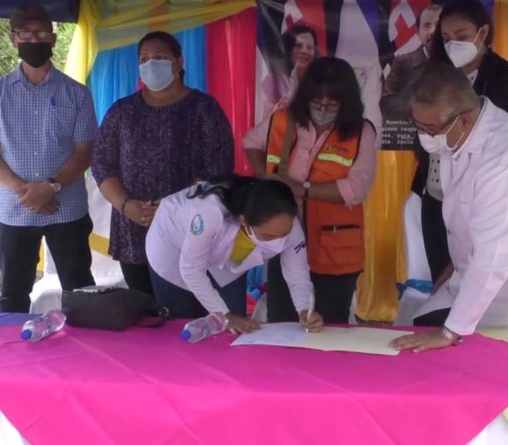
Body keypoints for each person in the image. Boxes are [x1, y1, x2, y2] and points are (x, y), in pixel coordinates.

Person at [391, 64, 508, 353]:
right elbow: (468, 220)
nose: (424, 136)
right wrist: (452, 271)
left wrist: (450, 332)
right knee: (421, 335)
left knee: (507, 376)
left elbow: (494, 255)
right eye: (418, 126)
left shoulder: (505, 159)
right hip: (475, 283)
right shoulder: (458, 138)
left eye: (430, 129)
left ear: (462, 120)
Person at [416, 0, 508, 287]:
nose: (453, 45)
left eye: (462, 37)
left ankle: (459, 330)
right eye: (446, 39)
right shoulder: (438, 74)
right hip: (437, 196)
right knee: (442, 285)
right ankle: (447, 326)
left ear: (483, 32)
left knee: (478, 280)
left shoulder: (507, 79)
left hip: (483, 198)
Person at [0, 5, 97, 313]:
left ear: (53, 39)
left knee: (80, 287)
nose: (33, 39)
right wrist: (25, 191)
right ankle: (13, 359)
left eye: (41, 33)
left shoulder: (77, 94)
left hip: (66, 207)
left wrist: (51, 186)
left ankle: (86, 357)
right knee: (13, 294)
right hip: (16, 209)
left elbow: (85, 151)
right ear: (14, 40)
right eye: (25, 34)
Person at [92, 31, 234, 296]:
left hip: (187, 230)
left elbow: (218, 168)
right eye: (144, 59)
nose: (149, 65)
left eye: (158, 58)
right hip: (134, 225)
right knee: (144, 315)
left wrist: (171, 211)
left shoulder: (204, 109)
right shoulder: (122, 111)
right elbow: (102, 164)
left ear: (178, 63)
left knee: (182, 312)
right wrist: (126, 205)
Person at [244, 57, 377, 324]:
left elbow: (356, 188)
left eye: (332, 104)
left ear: (347, 102)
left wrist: (300, 188)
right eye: (316, 102)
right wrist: (263, 174)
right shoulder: (283, 119)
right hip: (285, 241)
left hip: (335, 249)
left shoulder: (361, 132)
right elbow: (251, 142)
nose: (323, 108)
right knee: (283, 321)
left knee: (329, 325)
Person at [145, 176, 323, 333]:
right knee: (181, 321)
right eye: (268, 236)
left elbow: (298, 274)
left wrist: (304, 310)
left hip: (226, 258)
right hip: (173, 244)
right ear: (244, 221)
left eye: (284, 234)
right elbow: (191, 270)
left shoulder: (289, 226)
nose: (278, 241)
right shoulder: (211, 212)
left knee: (236, 327)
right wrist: (226, 316)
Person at [380, 3, 443, 120]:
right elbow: (386, 105)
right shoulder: (402, 62)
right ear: (417, 31)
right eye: (426, 25)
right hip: (414, 132)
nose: (432, 31)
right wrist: (417, 103)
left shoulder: (458, 62)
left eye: (438, 25)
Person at [261, 24, 319, 118]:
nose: (304, 51)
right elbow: (266, 119)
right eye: (298, 46)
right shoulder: (272, 82)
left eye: (309, 47)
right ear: (288, 49)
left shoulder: (321, 82)